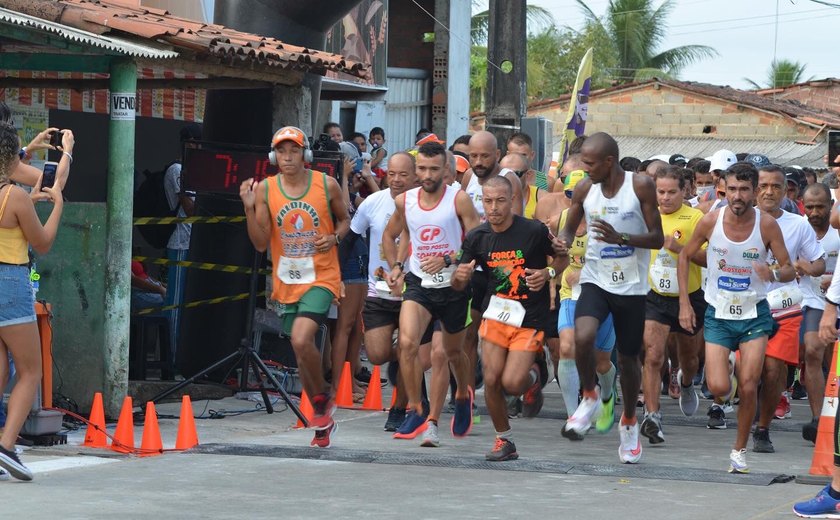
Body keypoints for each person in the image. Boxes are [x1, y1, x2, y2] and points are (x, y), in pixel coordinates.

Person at [677, 161, 796, 474]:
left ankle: (739, 450)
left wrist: (770, 272)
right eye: (732, 189)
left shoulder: (767, 225)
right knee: (717, 387)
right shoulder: (710, 221)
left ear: (755, 192)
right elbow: (685, 255)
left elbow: (789, 269)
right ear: (724, 190)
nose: (738, 196)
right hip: (718, 311)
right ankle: (723, 371)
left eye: (744, 190)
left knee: (748, 383)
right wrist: (684, 305)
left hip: (754, 313)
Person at [553, 132, 664, 464]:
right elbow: (570, 227)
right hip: (595, 280)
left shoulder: (640, 186)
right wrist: (562, 240)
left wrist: (622, 237)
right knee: (581, 337)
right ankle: (590, 395)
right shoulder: (586, 189)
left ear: (608, 162)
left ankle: (629, 420)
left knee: (629, 361)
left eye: (589, 163)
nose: (584, 170)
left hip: (630, 286)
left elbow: (657, 237)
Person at [239, 126, 350, 448]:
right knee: (300, 350)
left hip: (322, 274)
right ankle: (320, 410)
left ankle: (321, 397)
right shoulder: (266, 190)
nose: (288, 157)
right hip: (287, 278)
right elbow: (260, 244)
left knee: (302, 337)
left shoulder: (325, 184)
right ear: (274, 156)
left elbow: (345, 219)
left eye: (294, 151)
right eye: (282, 152)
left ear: (306, 154)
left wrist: (335, 237)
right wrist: (248, 207)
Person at [451, 175, 560, 460]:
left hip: (529, 317)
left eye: (500, 201)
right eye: (488, 201)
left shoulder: (534, 230)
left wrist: (547, 273)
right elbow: (460, 281)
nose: (494, 207)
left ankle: (535, 374)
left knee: (513, 383)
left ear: (512, 200)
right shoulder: (477, 237)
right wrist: (459, 277)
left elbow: (562, 257)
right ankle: (504, 439)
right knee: (492, 379)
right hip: (496, 315)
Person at [382, 141, 479, 440]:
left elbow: (478, 241)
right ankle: (416, 408)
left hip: (454, 285)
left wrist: (449, 259)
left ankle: (463, 393)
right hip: (419, 283)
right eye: (421, 169)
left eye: (433, 169)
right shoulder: (406, 201)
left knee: (450, 352)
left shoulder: (459, 200)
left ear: (446, 170)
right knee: (407, 344)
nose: (426, 174)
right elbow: (393, 234)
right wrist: (396, 266)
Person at [0, 122, 64, 480]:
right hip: (9, 281)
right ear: (11, 158)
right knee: (30, 371)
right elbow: (42, 242)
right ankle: (6, 447)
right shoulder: (15, 196)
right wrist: (57, 207)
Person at [751, 164, 824, 453]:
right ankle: (749, 409)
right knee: (747, 374)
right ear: (755, 188)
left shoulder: (798, 224)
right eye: (764, 186)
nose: (770, 192)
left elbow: (818, 262)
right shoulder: (738, 218)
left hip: (785, 306)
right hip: (744, 304)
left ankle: (763, 429)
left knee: (773, 369)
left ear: (785, 191)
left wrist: (809, 267)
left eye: (776, 187)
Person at [640, 166, 706, 445]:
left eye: (671, 192)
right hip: (653, 297)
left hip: (689, 296)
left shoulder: (696, 218)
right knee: (653, 356)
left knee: (689, 358)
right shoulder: (645, 217)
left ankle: (687, 381)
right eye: (661, 191)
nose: (665, 198)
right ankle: (652, 416)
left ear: (685, 191)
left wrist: (680, 249)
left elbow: (708, 259)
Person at [552, 171, 617, 431]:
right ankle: (574, 415)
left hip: (604, 292)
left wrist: (588, 271)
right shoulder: (561, 219)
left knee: (601, 361)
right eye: (570, 195)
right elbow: (555, 256)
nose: (575, 201)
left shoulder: (606, 219)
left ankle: (608, 393)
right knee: (567, 348)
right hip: (571, 293)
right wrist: (552, 276)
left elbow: (620, 257)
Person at [800, 183, 839, 443]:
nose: (814, 212)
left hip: (836, 301)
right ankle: (817, 419)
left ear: (831, 206)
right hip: (812, 302)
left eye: (820, 207)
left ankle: (834, 416)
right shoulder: (799, 230)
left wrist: (832, 279)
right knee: (812, 350)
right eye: (809, 207)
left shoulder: (838, 232)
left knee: (833, 360)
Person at [163, 123, 201, 362]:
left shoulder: (197, 171)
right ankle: (173, 357)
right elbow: (190, 208)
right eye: (196, 143)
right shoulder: (177, 170)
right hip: (179, 242)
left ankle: (184, 356)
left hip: (193, 243)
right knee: (175, 304)